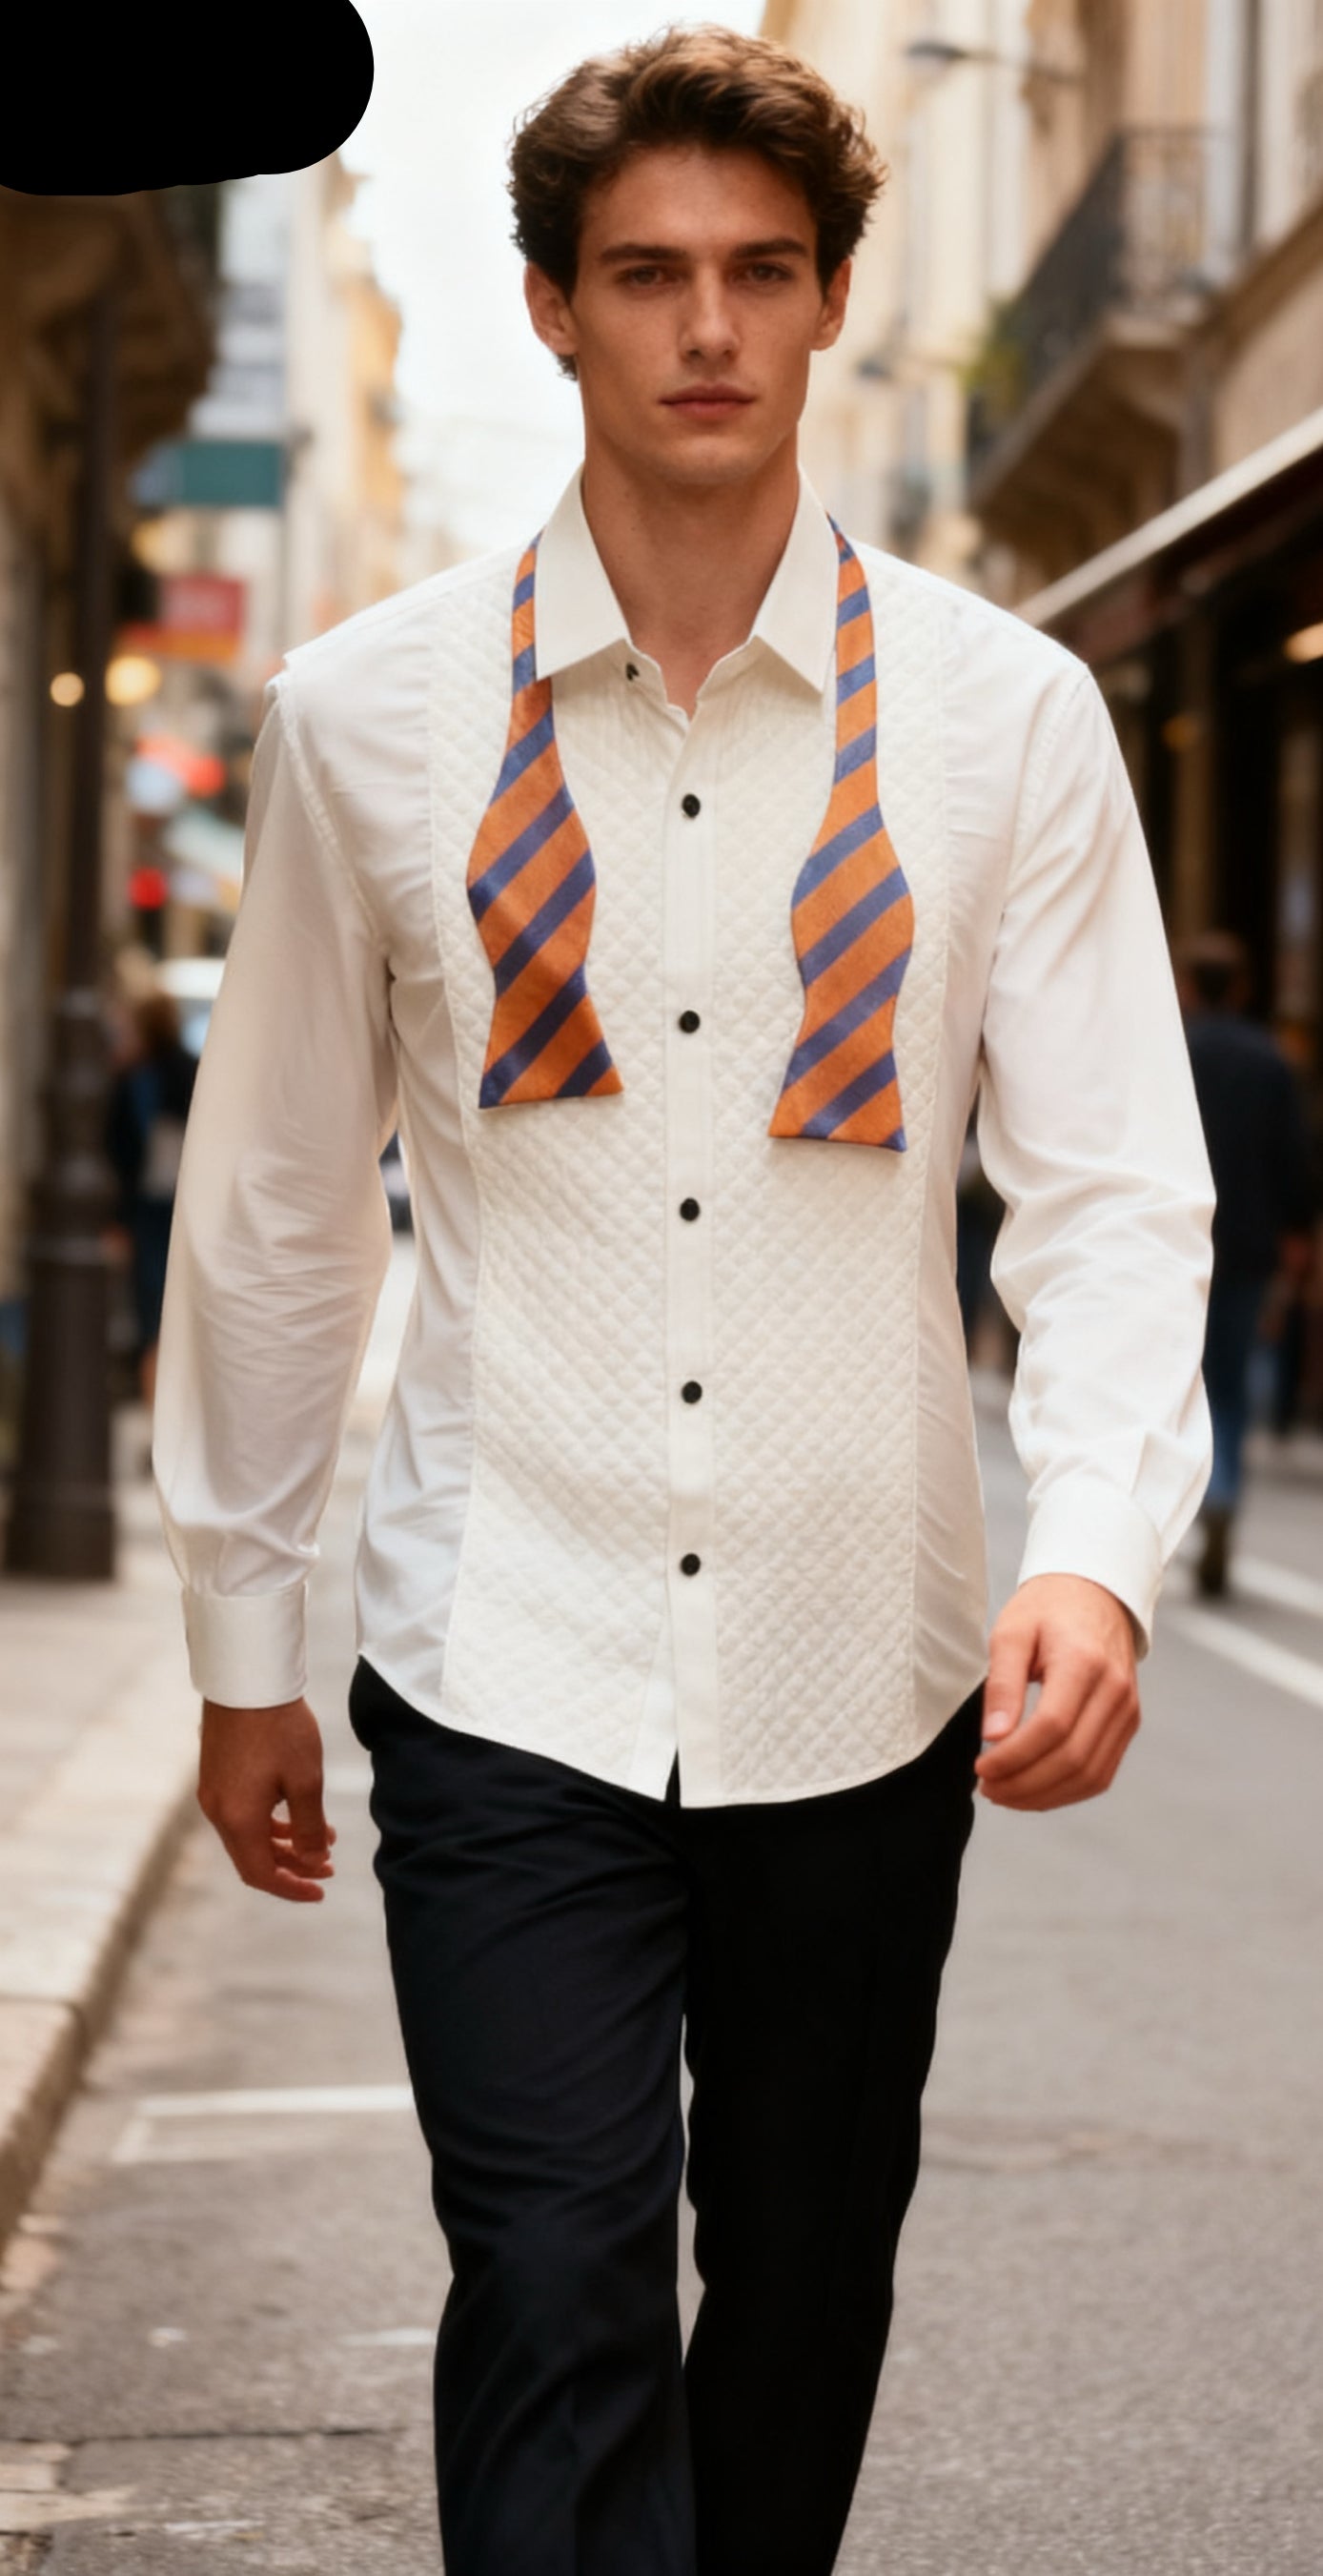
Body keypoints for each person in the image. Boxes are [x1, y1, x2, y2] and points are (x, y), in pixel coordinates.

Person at [153, 30, 1214, 2575]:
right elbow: (281, 1194)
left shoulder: (1004, 720)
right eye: (645, 276)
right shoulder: (360, 719)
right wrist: (239, 1624)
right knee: (549, 2276)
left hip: (868, 1659)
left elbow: (1103, 1187)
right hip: (498, 1639)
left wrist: (1090, 1540)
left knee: (810, 2277)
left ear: (831, 297)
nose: (705, 330)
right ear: (547, 308)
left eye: (757, 273)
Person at [1174, 931, 1313, 1596]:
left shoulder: (1174, 1052)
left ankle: (1203, 1496)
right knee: (1229, 1382)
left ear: (1189, 987)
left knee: (1183, 1380)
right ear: (1244, 989)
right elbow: (1295, 1159)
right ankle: (1225, 1487)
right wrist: (1296, 1239)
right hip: (1252, 1244)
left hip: (1180, 1243)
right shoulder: (1271, 1061)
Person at [105, 984, 197, 1419]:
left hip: (148, 1208)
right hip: (189, 1206)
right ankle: (175, 1411)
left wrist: (117, 1220)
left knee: (150, 1309)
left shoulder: (133, 1079)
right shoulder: (194, 1071)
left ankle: (156, 1412)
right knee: (183, 1308)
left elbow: (118, 1155)